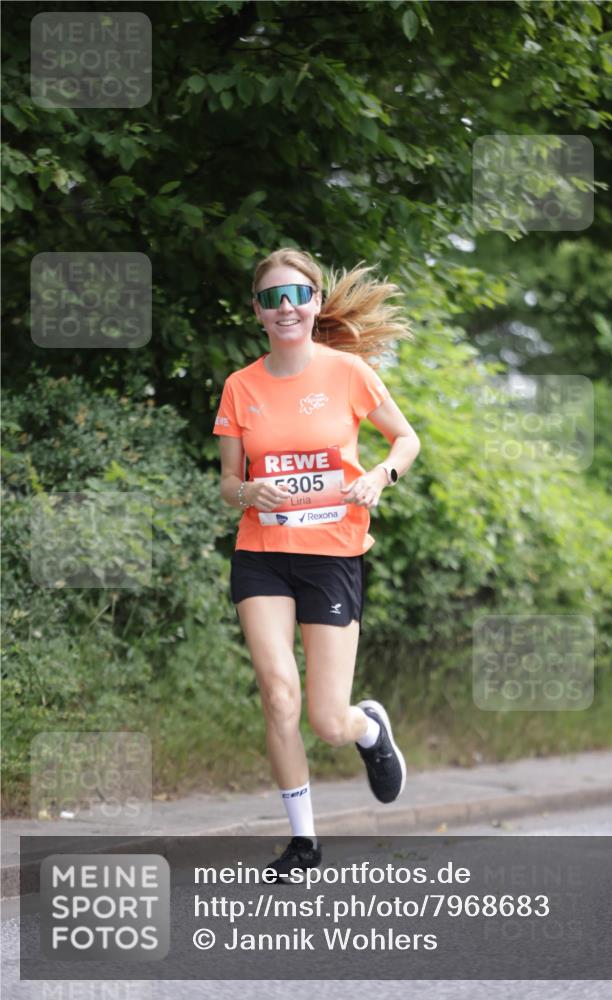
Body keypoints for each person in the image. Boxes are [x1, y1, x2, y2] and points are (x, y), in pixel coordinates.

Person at [213, 247, 420, 881]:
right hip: (263, 556)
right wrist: (248, 492)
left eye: (296, 296)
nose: (286, 308)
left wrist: (380, 477)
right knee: (279, 697)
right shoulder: (240, 386)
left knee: (327, 720)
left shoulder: (349, 372)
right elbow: (227, 481)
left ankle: (369, 729)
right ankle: (303, 843)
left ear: (314, 304)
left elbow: (406, 439)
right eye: (272, 298)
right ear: (257, 311)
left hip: (332, 556)